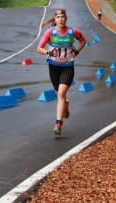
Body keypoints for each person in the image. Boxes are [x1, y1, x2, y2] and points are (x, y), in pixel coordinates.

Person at [37, 8, 87, 136]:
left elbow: (83, 40)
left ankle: (58, 124)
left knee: (60, 94)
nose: (60, 19)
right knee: (61, 96)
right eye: (58, 17)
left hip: (67, 67)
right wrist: (49, 52)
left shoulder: (72, 32)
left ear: (66, 18)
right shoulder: (50, 33)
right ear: (55, 19)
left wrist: (76, 51)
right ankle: (66, 104)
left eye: (62, 17)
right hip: (53, 67)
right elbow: (39, 49)